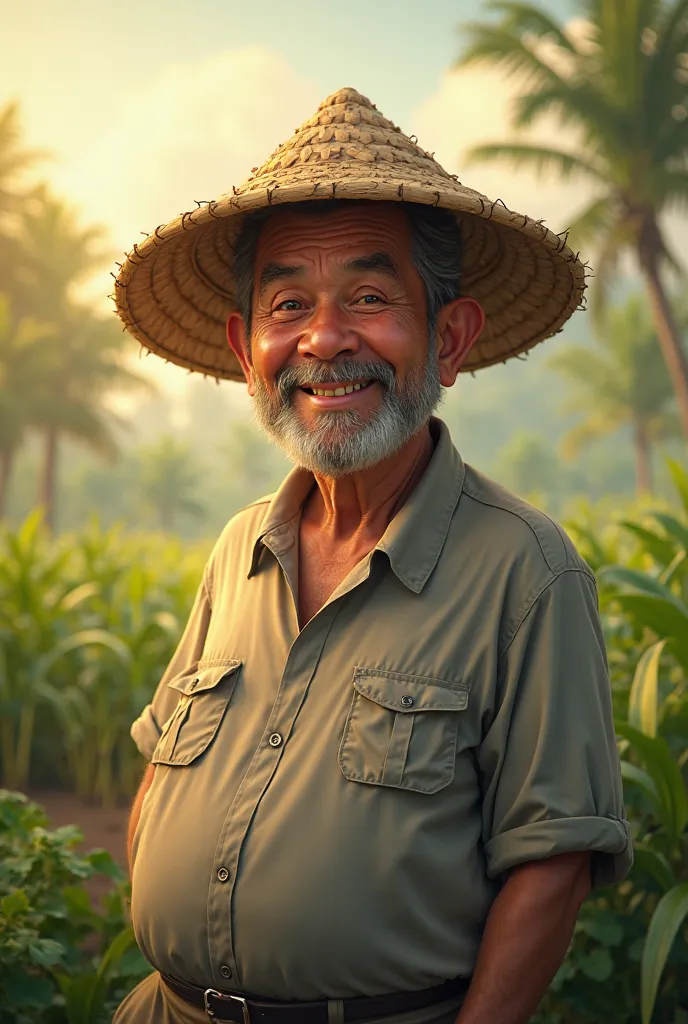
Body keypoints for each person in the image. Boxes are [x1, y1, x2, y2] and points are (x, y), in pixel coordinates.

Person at [112, 88, 632, 1024]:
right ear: (247, 347)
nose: (324, 338)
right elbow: (159, 772)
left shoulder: (526, 571)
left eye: (369, 296)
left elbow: (552, 867)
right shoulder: (239, 548)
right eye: (288, 304)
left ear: (451, 337)